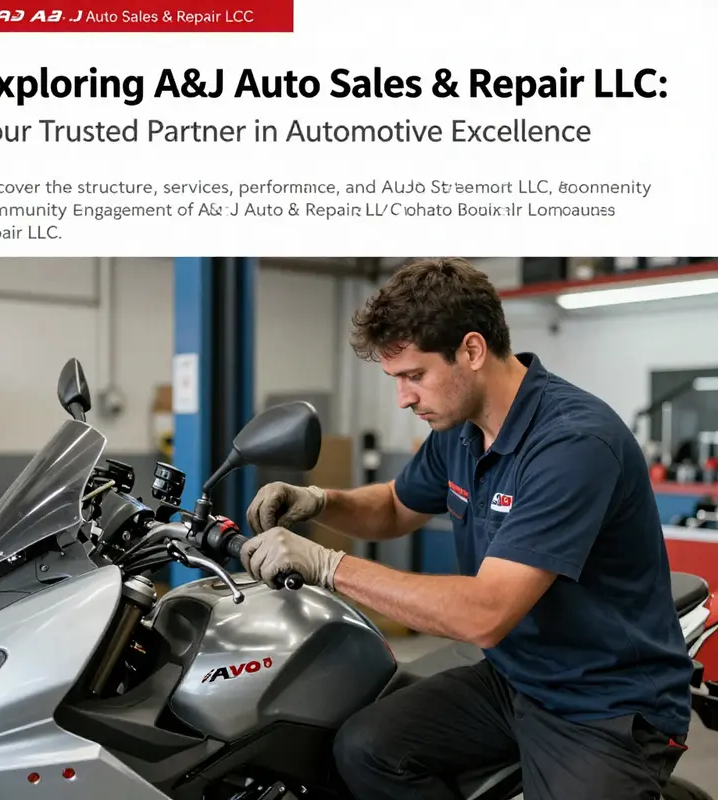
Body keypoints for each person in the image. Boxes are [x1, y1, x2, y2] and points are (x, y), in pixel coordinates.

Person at [239, 257, 693, 800]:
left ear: (472, 351)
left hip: (602, 699)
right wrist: (318, 501)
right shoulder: (460, 431)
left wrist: (327, 565)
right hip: (515, 677)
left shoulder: (572, 443)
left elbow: (485, 614)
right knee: (365, 748)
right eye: (396, 379)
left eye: (414, 376)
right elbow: (395, 506)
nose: (404, 398)